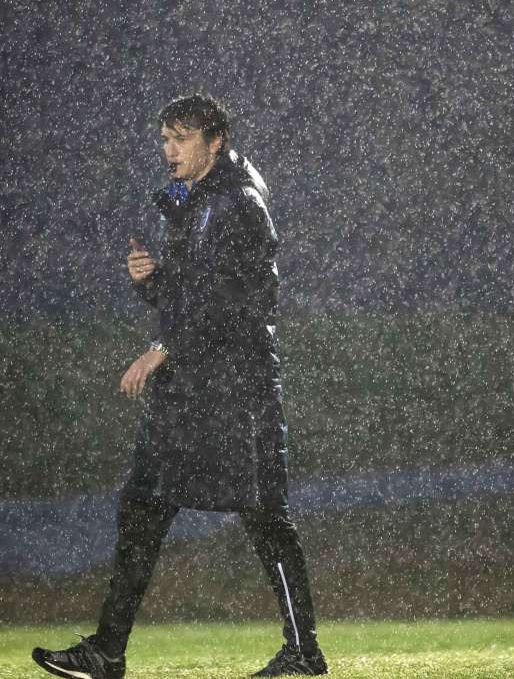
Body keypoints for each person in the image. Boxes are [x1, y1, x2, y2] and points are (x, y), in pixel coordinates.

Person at [32, 95, 327, 678]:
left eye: (181, 138)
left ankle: (303, 653)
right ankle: (107, 651)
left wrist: (162, 347)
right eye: (165, 138)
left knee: (265, 514)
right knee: (143, 506)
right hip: (191, 388)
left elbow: (236, 301)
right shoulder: (198, 201)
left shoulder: (237, 203)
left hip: (237, 390)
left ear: (215, 142)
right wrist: (152, 281)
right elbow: (192, 294)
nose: (169, 150)